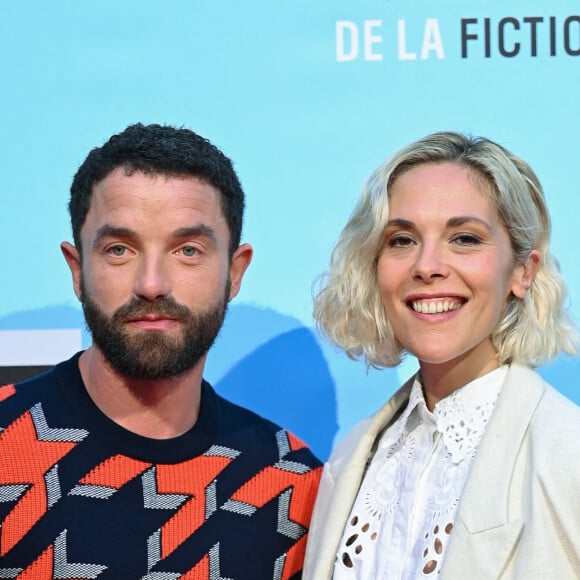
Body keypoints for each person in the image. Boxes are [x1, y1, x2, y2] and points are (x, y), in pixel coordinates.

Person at [0, 123, 322, 579]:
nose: (151, 284)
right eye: (118, 249)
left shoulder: (291, 485)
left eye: (188, 250)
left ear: (235, 271)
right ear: (78, 270)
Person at [304, 131, 580, 579]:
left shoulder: (569, 456)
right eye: (402, 240)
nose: (427, 265)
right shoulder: (352, 458)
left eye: (465, 238)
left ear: (521, 271)